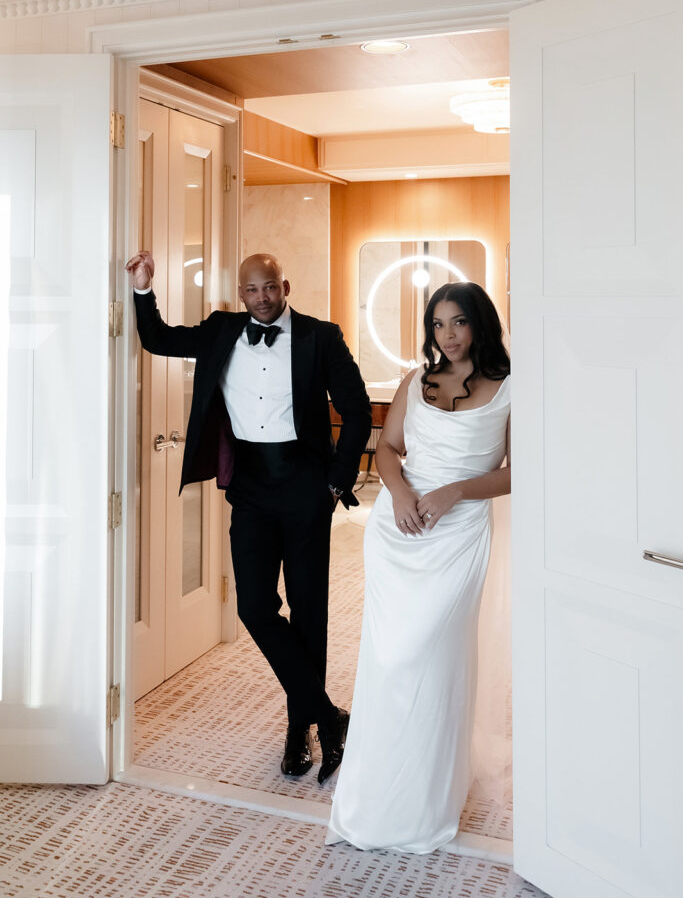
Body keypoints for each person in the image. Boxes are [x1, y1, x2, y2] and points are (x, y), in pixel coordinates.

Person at [125, 250, 371, 785]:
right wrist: (144, 290)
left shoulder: (320, 337)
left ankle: (297, 725)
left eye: (269, 287)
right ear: (240, 294)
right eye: (251, 289)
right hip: (252, 490)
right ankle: (328, 716)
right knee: (256, 607)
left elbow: (355, 410)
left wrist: (337, 480)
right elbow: (159, 339)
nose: (261, 297)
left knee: (309, 611)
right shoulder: (220, 330)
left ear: (285, 285)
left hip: (306, 487)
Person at [327, 280, 511, 852]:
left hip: (458, 537)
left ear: (480, 324)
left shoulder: (512, 388)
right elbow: (387, 448)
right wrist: (400, 494)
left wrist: (456, 491)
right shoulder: (416, 380)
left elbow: (519, 470)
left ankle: (432, 793)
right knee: (389, 660)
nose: (447, 335)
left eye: (458, 322)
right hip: (397, 532)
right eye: (437, 324)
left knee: (433, 657)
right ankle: (377, 794)